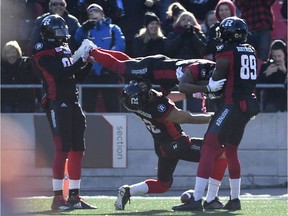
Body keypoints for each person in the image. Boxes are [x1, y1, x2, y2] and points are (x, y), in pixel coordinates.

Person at [172, 16, 260, 211]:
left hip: (232, 104)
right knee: (231, 150)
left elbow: (218, 76)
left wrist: (208, 85)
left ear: (229, 33)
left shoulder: (226, 50)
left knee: (209, 146)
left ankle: (196, 199)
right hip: (248, 104)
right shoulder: (251, 50)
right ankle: (234, 199)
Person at [114, 79, 227, 210]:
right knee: (220, 153)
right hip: (177, 144)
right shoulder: (158, 109)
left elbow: (164, 97)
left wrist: (190, 95)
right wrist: (214, 118)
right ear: (144, 98)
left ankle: (128, 191)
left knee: (163, 185)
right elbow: (187, 117)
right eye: (146, 93)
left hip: (163, 147)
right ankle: (211, 198)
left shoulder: (137, 105)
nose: (148, 91)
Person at [32, 14, 96, 211]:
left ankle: (74, 197)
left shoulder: (65, 48)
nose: (63, 34)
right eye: (58, 31)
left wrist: (87, 62)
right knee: (62, 149)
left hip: (72, 102)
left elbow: (75, 76)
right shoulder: (42, 50)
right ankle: (58, 198)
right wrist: (80, 59)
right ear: (49, 33)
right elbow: (60, 73)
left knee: (78, 150)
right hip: (56, 103)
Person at [85, 45, 226, 96]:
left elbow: (174, 86)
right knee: (121, 68)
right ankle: (91, 50)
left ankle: (97, 49)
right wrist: (207, 88)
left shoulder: (207, 68)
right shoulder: (201, 68)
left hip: (163, 74)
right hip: (153, 69)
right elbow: (183, 87)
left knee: (129, 62)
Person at [74, 3, 126, 112]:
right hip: (90, 72)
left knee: (113, 105)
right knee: (87, 106)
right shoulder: (85, 29)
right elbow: (77, 40)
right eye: (90, 13)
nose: (93, 14)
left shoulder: (113, 28)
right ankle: (86, 128)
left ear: (102, 14)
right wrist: (83, 28)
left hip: (108, 72)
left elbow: (120, 45)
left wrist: (107, 59)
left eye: (96, 11)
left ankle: (116, 127)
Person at [1, 40, 40, 113]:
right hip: (6, 102)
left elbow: (35, 81)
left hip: (24, 101)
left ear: (18, 53)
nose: (11, 55)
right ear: (5, 55)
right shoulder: (1, 67)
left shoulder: (27, 64)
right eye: (8, 53)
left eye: (13, 52)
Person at [257, 39, 287, 112]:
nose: (277, 59)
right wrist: (266, 74)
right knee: (270, 109)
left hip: (286, 98)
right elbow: (257, 86)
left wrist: (285, 72)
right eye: (274, 56)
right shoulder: (266, 66)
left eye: (279, 56)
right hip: (272, 100)